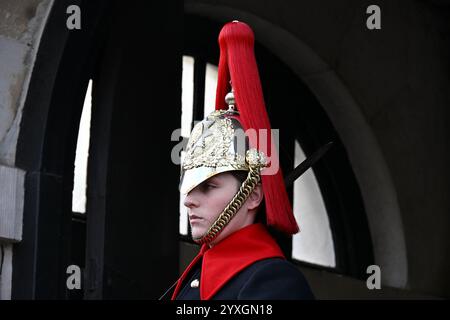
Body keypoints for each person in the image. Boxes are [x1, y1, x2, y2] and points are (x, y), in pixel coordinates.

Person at [170, 21, 314, 300]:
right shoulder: (196, 277)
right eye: (190, 187)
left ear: (253, 196)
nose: (189, 200)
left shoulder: (275, 283)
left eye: (209, 186)